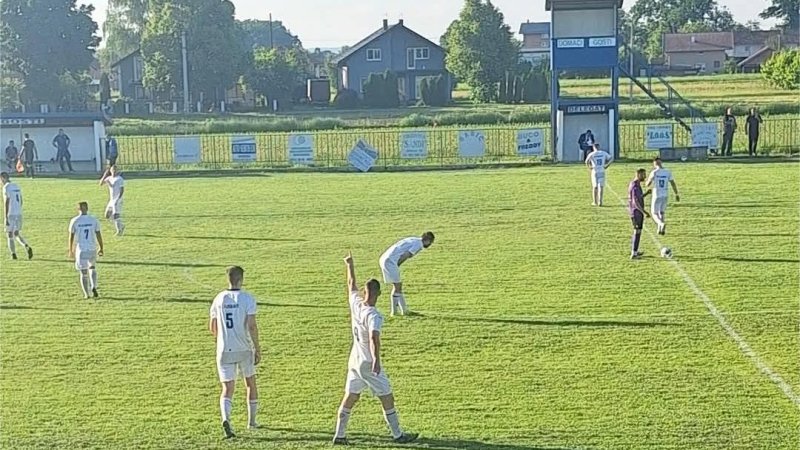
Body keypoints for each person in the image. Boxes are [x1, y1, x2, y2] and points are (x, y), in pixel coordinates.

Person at [333, 251, 418, 446]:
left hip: (354, 360)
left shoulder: (356, 304)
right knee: (387, 397)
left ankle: (339, 434)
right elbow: (373, 337)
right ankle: (398, 435)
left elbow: (351, 284)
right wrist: (377, 361)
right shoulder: (374, 315)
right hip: (368, 362)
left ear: (365, 292)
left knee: (351, 396)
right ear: (379, 294)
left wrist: (349, 264)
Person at [209, 265, 262, 439]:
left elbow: (213, 327)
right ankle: (252, 422)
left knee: (227, 388)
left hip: (224, 349)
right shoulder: (247, 299)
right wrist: (257, 348)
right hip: (244, 348)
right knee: (250, 383)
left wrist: (223, 338)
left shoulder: (219, 299)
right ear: (241, 279)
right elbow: (252, 326)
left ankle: (226, 419)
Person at [378, 232, 435, 316]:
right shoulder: (418, 244)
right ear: (427, 240)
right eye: (431, 242)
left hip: (385, 258)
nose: (430, 244)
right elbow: (406, 255)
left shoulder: (414, 239)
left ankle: (404, 310)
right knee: (397, 286)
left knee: (398, 286)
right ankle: (394, 312)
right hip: (390, 261)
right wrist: (397, 264)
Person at [68, 202, 104, 298]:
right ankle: (93, 286)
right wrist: (101, 248)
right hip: (92, 248)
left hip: (81, 249)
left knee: (83, 272)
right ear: (87, 208)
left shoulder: (75, 221)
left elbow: (71, 236)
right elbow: (98, 234)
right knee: (92, 267)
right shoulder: (93, 220)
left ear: (78, 209)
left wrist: (70, 250)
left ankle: (86, 294)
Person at [1, 172, 33, 260]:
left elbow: (7, 202)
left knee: (9, 234)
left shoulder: (6, 187)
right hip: (18, 213)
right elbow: (21, 200)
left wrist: (6, 216)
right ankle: (26, 246)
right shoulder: (16, 186)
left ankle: (13, 254)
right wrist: (18, 209)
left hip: (10, 214)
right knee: (16, 233)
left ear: (3, 178)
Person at [646, 157, 680, 235]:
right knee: (661, 212)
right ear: (661, 162)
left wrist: (647, 182)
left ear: (654, 164)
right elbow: (673, 183)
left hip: (657, 194)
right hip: (665, 194)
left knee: (654, 213)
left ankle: (661, 224)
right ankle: (660, 229)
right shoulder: (667, 172)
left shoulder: (654, 172)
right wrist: (676, 194)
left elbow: (648, 184)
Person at [628, 169, 651, 260]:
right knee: (637, 231)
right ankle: (633, 253)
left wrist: (646, 193)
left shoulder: (635, 184)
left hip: (637, 212)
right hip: (636, 213)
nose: (645, 177)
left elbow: (639, 197)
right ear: (638, 174)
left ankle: (635, 251)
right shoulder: (635, 186)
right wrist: (644, 212)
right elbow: (636, 202)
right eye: (643, 175)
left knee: (638, 231)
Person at [99, 165, 125, 236]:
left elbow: (122, 190)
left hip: (117, 200)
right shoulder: (109, 178)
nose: (114, 171)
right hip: (111, 200)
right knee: (107, 215)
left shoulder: (119, 179)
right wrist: (105, 175)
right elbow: (101, 183)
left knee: (116, 215)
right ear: (110, 171)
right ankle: (121, 225)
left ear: (117, 171)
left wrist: (118, 199)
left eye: (115, 170)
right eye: (113, 170)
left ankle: (119, 230)